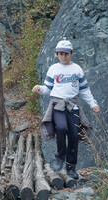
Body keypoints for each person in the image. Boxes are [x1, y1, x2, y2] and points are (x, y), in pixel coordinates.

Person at [32, 40, 100, 179]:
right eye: (61, 54)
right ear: (57, 54)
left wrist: (93, 103)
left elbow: (84, 89)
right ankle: (60, 157)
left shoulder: (77, 69)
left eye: (66, 54)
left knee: (74, 136)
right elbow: (47, 89)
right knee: (61, 128)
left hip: (72, 106)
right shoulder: (53, 69)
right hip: (57, 105)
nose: (64, 56)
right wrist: (39, 89)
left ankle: (71, 168)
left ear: (71, 53)